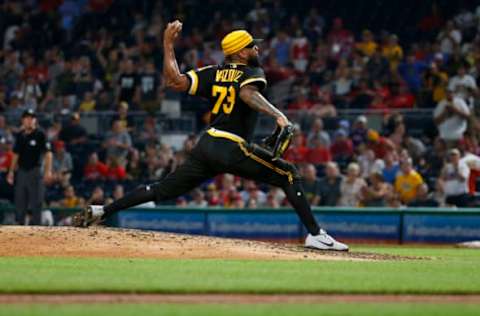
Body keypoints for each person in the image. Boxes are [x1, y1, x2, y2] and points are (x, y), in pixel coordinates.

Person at [73, 21, 348, 251]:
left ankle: (102, 211)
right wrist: (278, 115)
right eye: (252, 45)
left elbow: (175, 81)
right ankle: (315, 235)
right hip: (230, 144)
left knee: (162, 189)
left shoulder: (212, 72)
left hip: (206, 144)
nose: (257, 48)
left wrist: (168, 44)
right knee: (288, 174)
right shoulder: (251, 71)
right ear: (240, 53)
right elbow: (247, 93)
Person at [7, 109, 53, 225]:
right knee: (20, 202)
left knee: (37, 202)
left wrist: (48, 171)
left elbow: (48, 153)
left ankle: (37, 228)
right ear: (23, 120)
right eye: (27, 118)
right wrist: (11, 171)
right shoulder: (20, 136)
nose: (29, 120)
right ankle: (20, 227)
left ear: (35, 120)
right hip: (22, 171)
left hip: (35, 171)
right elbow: (15, 154)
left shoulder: (40, 134)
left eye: (32, 118)